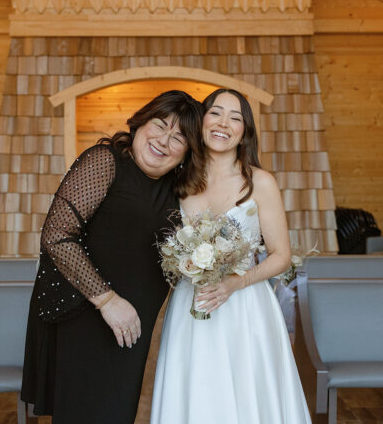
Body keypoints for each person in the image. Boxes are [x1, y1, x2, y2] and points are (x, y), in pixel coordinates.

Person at [21, 90, 205, 424]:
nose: (164, 141)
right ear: (141, 123)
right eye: (160, 125)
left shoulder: (177, 190)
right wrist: (107, 301)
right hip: (88, 315)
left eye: (178, 138)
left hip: (132, 329)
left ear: (187, 152)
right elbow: (57, 235)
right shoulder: (105, 161)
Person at [151, 89, 312, 424]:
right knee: (197, 390)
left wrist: (235, 284)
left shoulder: (260, 182)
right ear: (201, 122)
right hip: (192, 306)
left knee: (248, 393)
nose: (223, 123)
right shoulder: (178, 181)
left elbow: (281, 255)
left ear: (244, 132)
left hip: (246, 307)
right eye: (215, 113)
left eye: (235, 118)